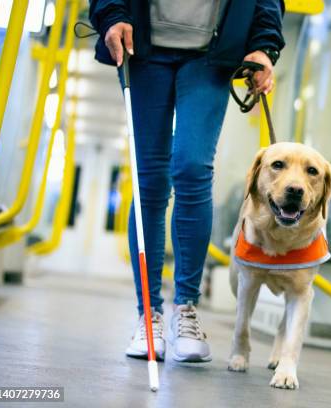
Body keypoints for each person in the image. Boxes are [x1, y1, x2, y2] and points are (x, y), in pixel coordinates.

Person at [89, 0, 285, 363]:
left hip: (212, 51)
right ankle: (148, 315)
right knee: (150, 178)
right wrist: (112, 15)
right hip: (141, 46)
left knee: (193, 167)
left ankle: (186, 308)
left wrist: (264, 43)